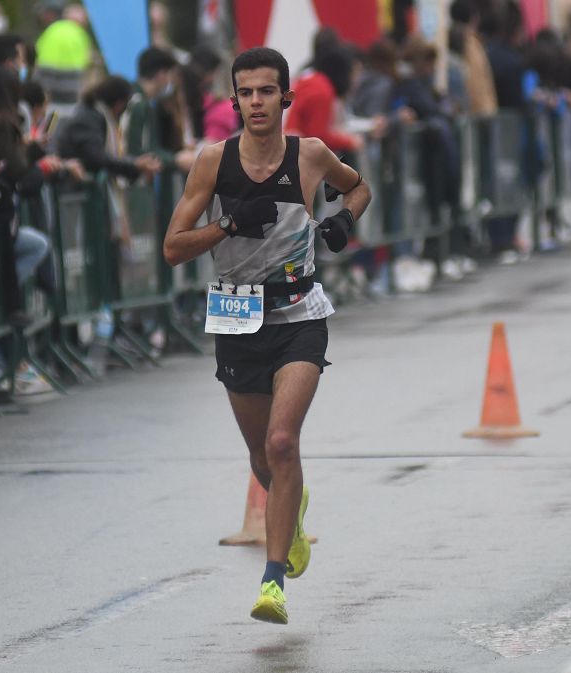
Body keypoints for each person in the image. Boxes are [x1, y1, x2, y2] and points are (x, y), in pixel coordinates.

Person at [162, 47, 371, 624]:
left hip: (299, 311)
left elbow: (358, 187)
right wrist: (227, 225)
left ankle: (273, 582)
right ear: (234, 100)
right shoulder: (213, 162)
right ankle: (291, 510)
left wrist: (342, 222)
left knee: (282, 443)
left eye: (266, 92)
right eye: (246, 92)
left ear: (286, 98)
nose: (256, 102)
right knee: (262, 458)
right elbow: (173, 248)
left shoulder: (309, 155)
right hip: (236, 313)